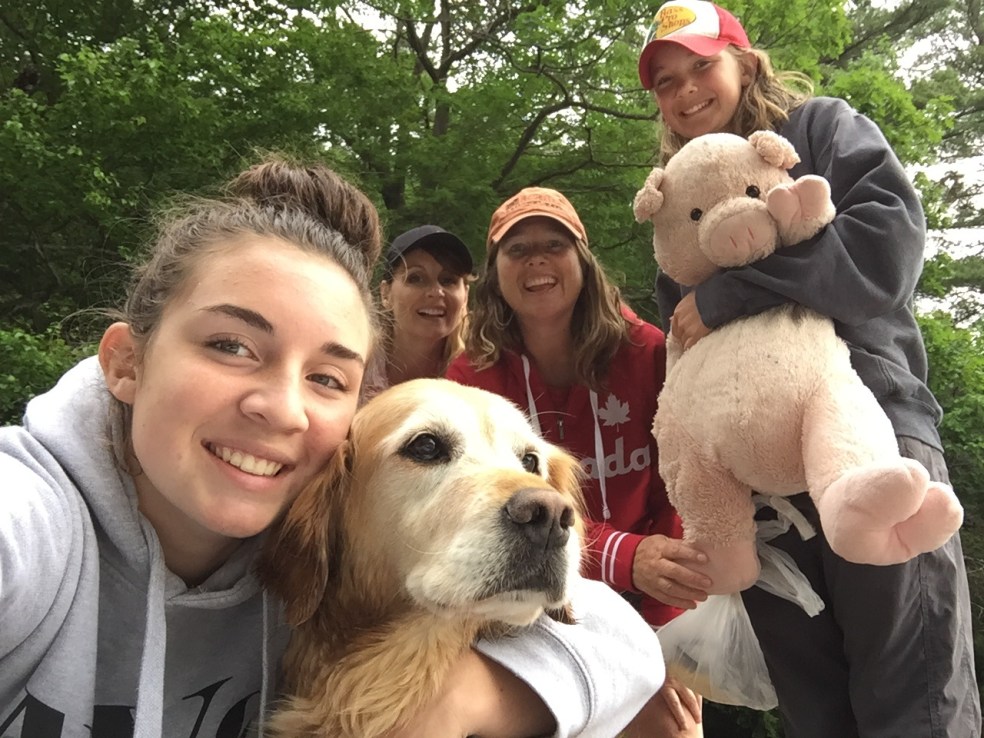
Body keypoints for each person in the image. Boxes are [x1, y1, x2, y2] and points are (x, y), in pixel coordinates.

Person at [0, 156, 669, 737]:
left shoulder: (295, 519)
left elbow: (623, 636)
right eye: (230, 346)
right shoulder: (34, 524)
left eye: (326, 377)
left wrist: (470, 696)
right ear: (124, 363)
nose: (283, 407)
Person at [637, 1, 981, 736]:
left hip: (873, 438)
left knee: (912, 695)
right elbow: (689, 352)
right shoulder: (677, 208)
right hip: (764, 494)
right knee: (816, 708)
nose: (687, 89)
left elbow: (885, 249)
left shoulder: (820, 129)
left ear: (743, 60)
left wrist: (735, 288)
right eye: (667, 81)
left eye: (702, 65)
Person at [446, 186, 712, 737]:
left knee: (671, 728)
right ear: (495, 274)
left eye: (554, 245)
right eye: (517, 250)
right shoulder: (471, 380)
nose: (537, 260)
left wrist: (653, 647)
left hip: (654, 605)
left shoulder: (649, 354)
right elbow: (473, 518)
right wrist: (621, 555)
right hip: (524, 608)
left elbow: (685, 485)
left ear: (583, 263)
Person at [369, 224, 473, 395]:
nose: (436, 292)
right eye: (416, 278)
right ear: (385, 294)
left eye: (448, 280)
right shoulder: (355, 367)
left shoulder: (476, 380)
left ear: (465, 296)